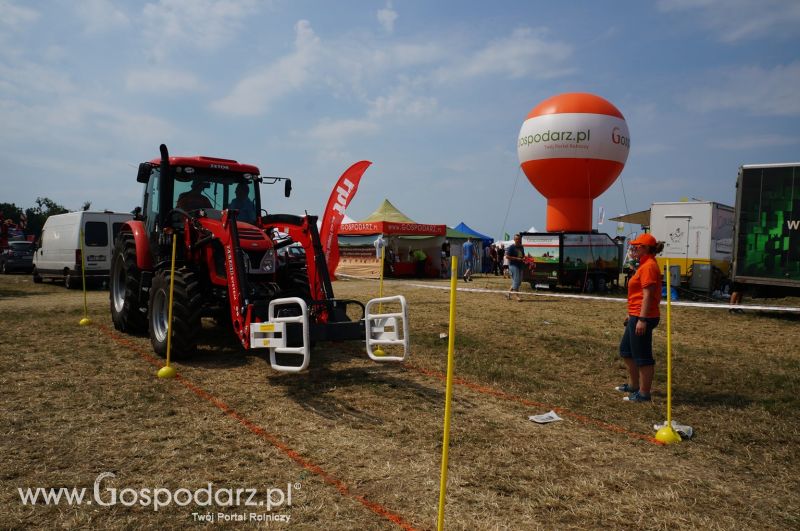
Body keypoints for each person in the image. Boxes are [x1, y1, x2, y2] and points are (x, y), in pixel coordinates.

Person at [616, 233, 664, 403]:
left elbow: (648, 295)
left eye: (637, 246)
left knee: (642, 356)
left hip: (644, 316)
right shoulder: (643, 265)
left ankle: (644, 394)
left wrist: (642, 319)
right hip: (636, 315)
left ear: (645, 248)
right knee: (626, 350)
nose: (634, 248)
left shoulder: (649, 266)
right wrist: (631, 314)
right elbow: (637, 295)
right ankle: (634, 385)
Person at [505, 234, 525, 301]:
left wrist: (524, 258)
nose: (518, 240)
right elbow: (507, 256)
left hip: (520, 265)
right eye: (516, 239)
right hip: (513, 265)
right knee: (516, 281)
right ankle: (517, 296)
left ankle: (508, 293)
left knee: (518, 282)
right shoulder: (511, 247)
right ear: (514, 240)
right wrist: (516, 258)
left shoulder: (521, 247)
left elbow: (522, 255)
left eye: (519, 239)